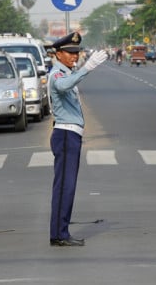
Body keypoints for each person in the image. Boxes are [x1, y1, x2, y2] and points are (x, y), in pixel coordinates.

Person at [47, 32, 108, 247]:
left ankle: (60, 231)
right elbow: (63, 86)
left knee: (68, 186)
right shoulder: (57, 74)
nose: (75, 56)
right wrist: (87, 68)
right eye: (70, 52)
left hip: (71, 134)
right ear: (58, 54)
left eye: (76, 52)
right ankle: (59, 234)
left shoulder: (67, 72)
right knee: (65, 186)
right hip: (65, 134)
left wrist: (82, 68)